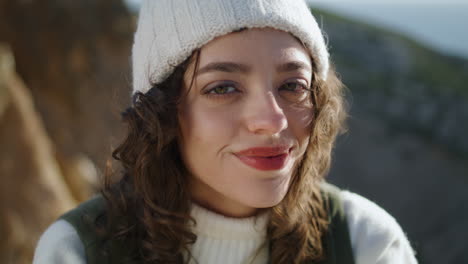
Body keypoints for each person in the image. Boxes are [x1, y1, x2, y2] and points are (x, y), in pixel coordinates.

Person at [33, 0, 418, 263]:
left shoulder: (365, 242)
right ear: (161, 111)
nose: (271, 120)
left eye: (293, 86)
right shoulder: (76, 252)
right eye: (222, 88)